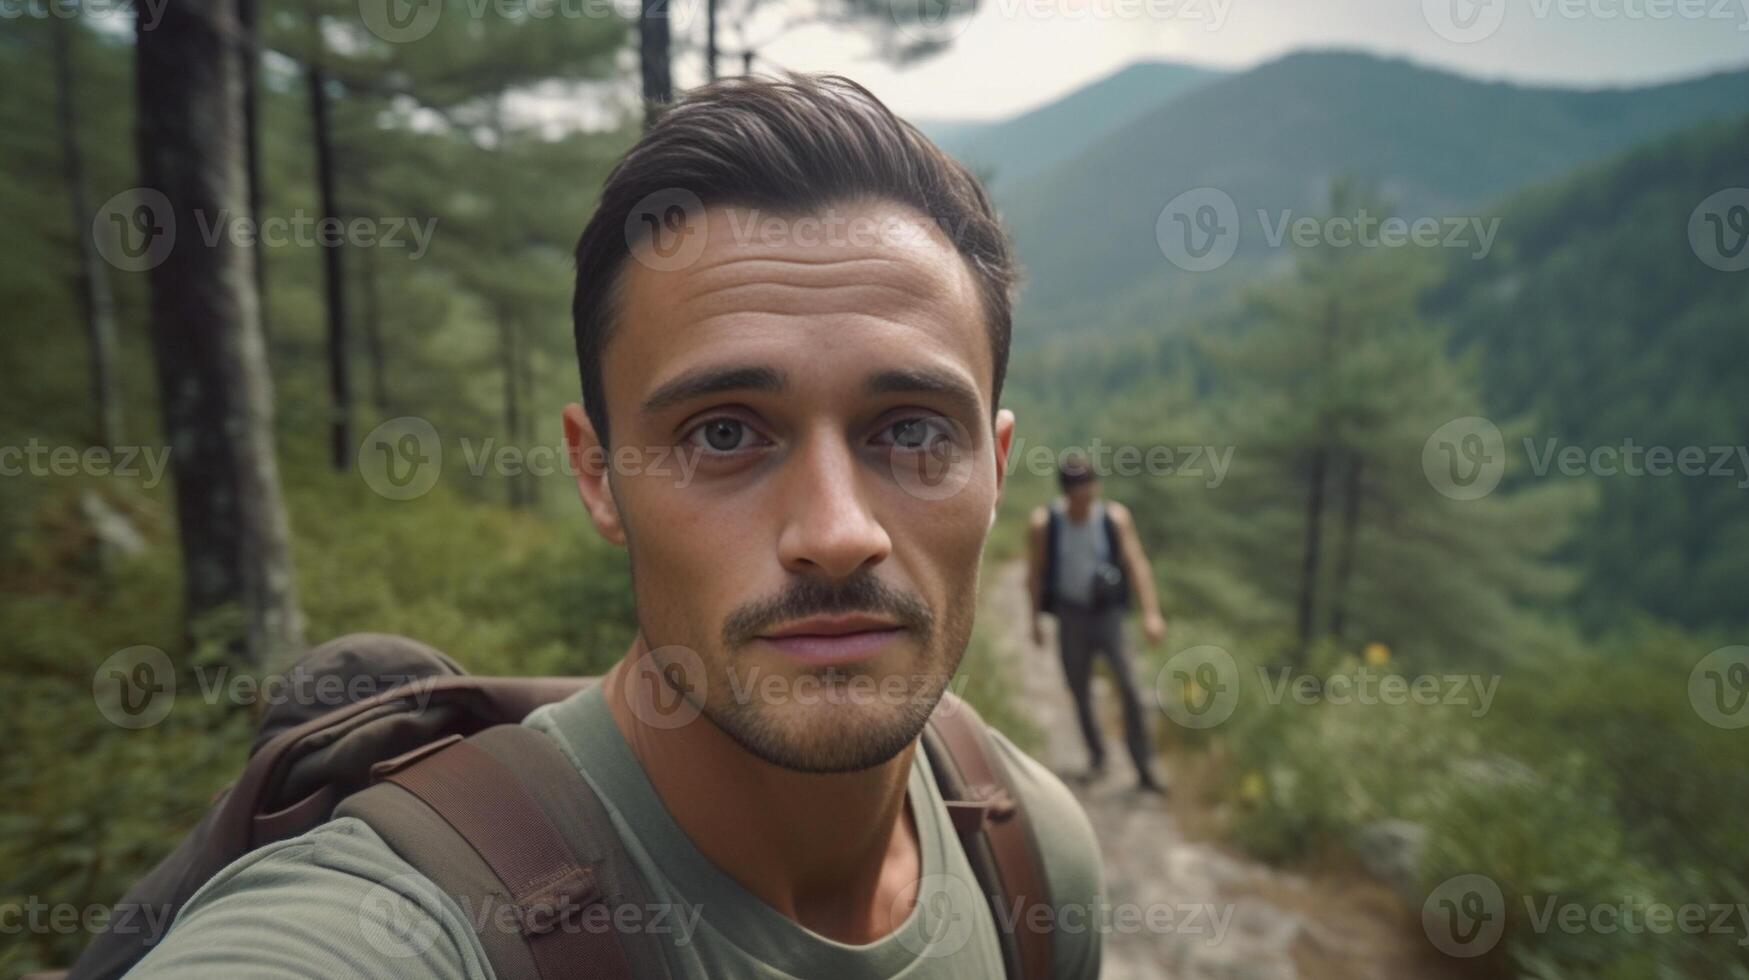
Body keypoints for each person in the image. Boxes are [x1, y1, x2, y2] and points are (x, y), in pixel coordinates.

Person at [122, 74, 1103, 978]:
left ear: (996, 469)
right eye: (724, 432)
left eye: (913, 431)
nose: (838, 531)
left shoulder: (1029, 861)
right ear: (598, 473)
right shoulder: (404, 917)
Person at [1027, 451, 1168, 794]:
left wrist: (1151, 613)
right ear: (1066, 492)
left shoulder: (1114, 519)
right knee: (1079, 690)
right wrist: (1034, 620)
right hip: (1070, 614)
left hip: (1109, 616)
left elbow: (1136, 563)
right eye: (1080, 490)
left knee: (1131, 687)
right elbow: (1034, 573)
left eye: (1091, 487)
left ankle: (1144, 767)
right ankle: (1098, 757)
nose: (1087, 496)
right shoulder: (1046, 525)